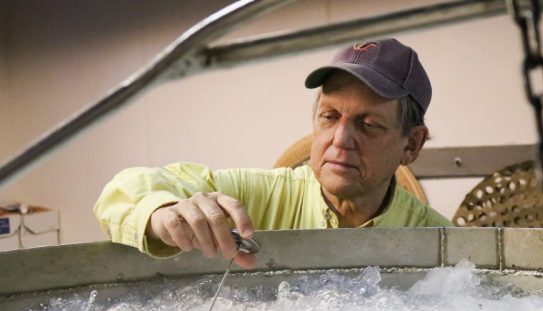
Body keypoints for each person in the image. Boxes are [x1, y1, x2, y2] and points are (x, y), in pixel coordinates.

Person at [94, 38, 452, 268]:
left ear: (411, 144)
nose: (340, 139)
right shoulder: (252, 198)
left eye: (369, 124)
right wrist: (161, 211)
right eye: (329, 116)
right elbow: (120, 193)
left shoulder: (441, 246)